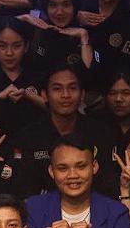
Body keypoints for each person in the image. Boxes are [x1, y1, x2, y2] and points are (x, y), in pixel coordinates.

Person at [12, 64, 118, 197]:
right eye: (57, 89)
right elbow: (22, 188)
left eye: (72, 88)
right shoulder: (28, 136)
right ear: (44, 95)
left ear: (82, 94)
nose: (65, 95)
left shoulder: (101, 133)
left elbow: (109, 183)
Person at [0, 18, 45, 134]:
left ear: (26, 47)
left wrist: (29, 96)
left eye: (16, 46)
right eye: (2, 46)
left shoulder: (38, 77)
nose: (9, 53)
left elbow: (57, 110)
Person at [21, 0, 93, 73]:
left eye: (66, 5)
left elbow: (88, 76)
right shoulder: (37, 32)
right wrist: (24, 18)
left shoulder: (86, 35)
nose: (59, 12)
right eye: (53, 5)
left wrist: (83, 36)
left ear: (75, 6)